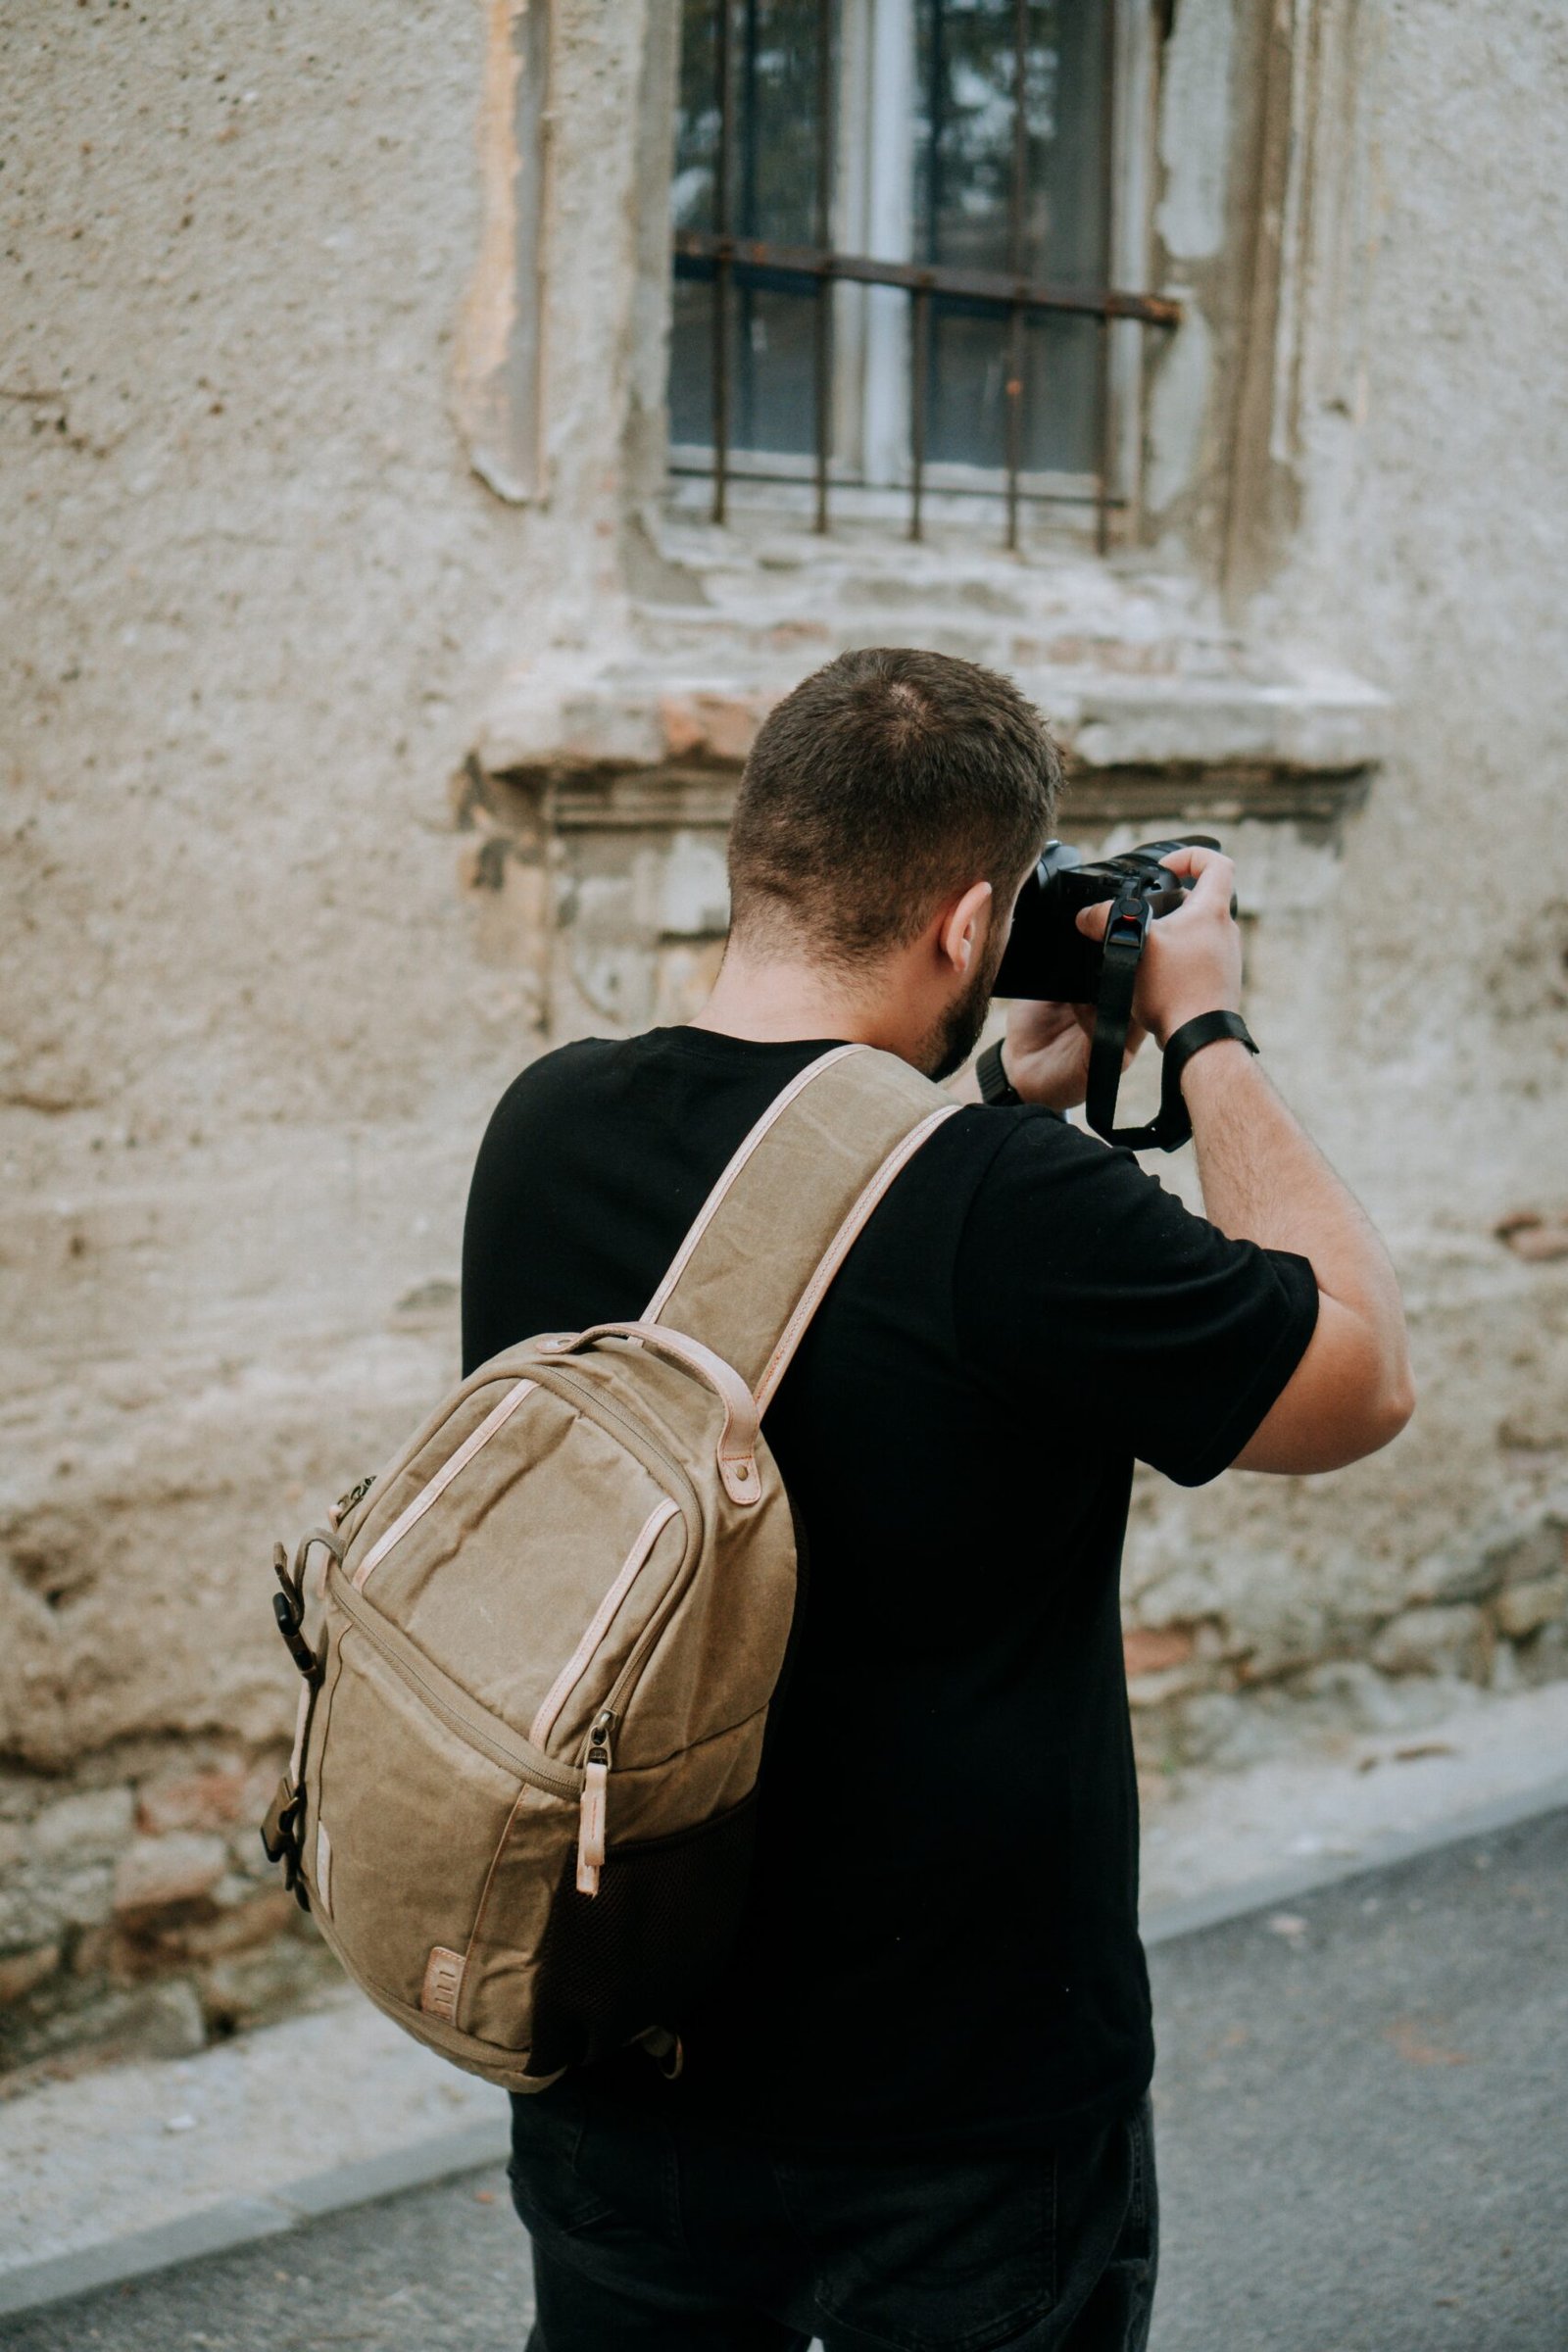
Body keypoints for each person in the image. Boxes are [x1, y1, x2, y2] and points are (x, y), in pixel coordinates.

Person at [461, 647, 1414, 2351]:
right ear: (973, 927)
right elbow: (1360, 1373)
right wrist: (1204, 1024)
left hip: (624, 2059)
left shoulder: (544, 1129)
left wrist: (988, 1105)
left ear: (759, 858)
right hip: (950, 2130)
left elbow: (819, 1279)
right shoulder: (1015, 1213)